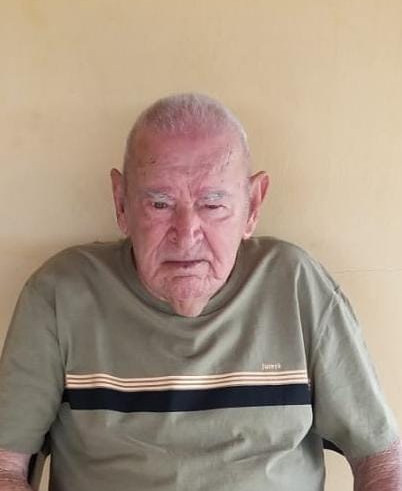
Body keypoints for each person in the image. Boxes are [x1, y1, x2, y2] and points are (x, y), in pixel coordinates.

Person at [0, 93, 400, 491]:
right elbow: (5, 467)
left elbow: (382, 461)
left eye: (212, 205)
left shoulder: (296, 284)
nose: (186, 233)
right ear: (121, 203)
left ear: (253, 205)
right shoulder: (61, 292)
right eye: (160, 203)